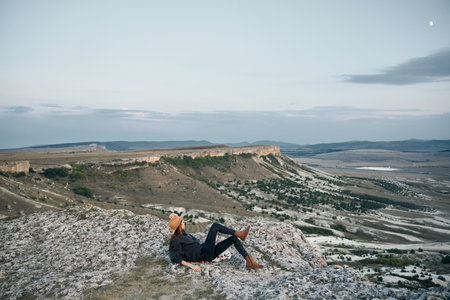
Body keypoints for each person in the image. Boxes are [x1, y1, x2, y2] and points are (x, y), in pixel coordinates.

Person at [168, 213, 263, 272]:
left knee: (233, 239)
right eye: (182, 222)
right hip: (204, 254)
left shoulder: (182, 234)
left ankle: (249, 262)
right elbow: (177, 258)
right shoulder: (176, 241)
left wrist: (173, 216)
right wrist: (192, 266)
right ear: (180, 226)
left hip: (205, 249)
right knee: (215, 226)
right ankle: (240, 234)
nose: (184, 223)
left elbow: (175, 230)